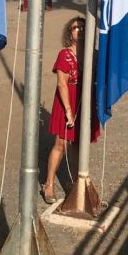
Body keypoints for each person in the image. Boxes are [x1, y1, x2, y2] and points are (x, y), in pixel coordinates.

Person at [41, 17, 100, 204]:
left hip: (85, 103)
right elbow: (62, 84)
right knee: (61, 143)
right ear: (70, 32)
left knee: (78, 145)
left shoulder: (93, 54)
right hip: (67, 102)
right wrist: (68, 111)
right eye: (76, 28)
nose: (80, 30)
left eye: (83, 28)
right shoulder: (64, 55)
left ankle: (76, 183)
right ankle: (49, 183)